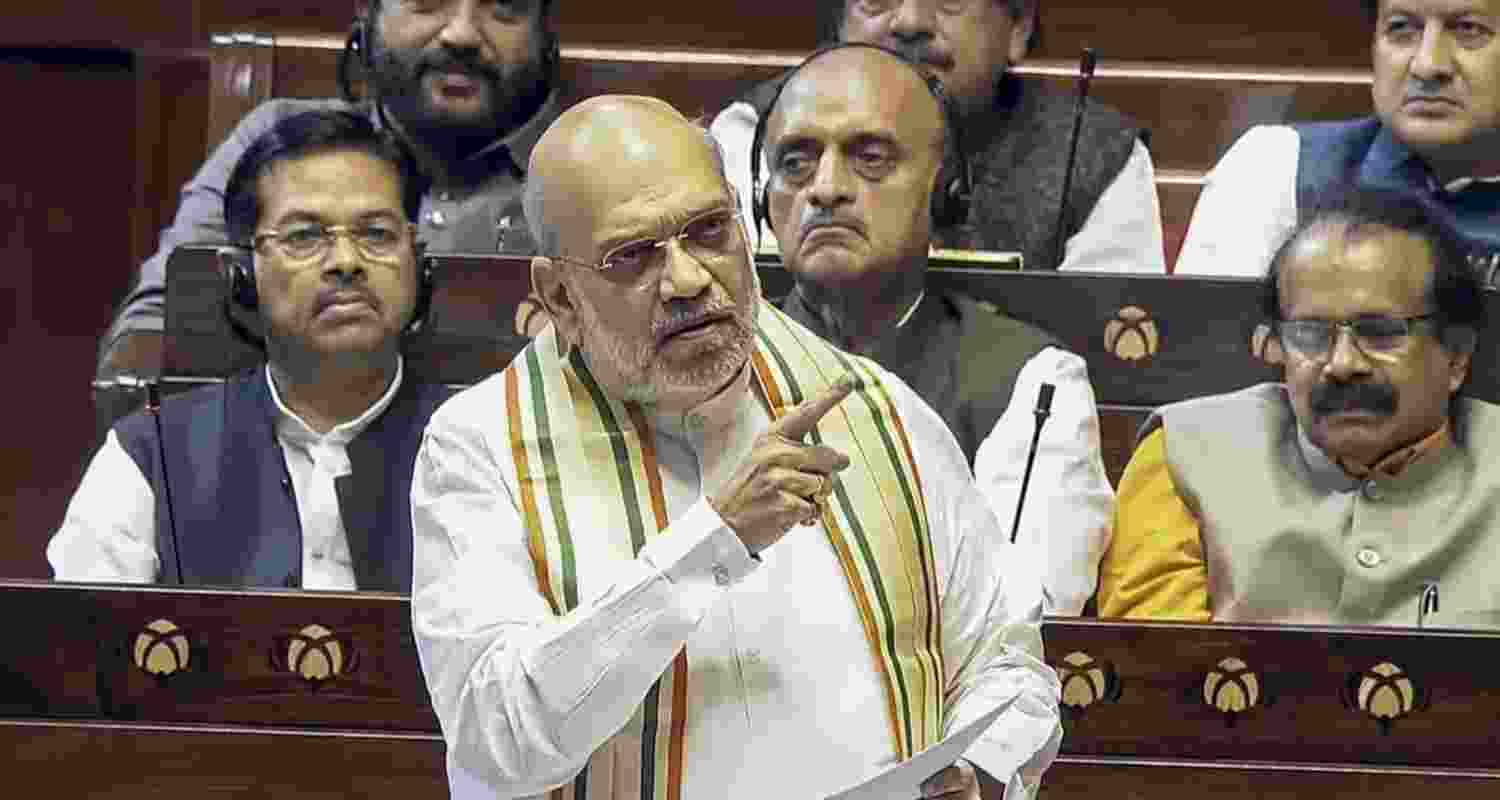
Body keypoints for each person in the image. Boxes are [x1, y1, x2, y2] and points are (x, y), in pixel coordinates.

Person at [410, 95, 1061, 799]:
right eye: (633, 256)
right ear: (560, 296)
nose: (688, 280)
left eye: (709, 230)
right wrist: (713, 540)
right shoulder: (481, 449)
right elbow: (500, 739)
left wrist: (983, 766)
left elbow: (1006, 657)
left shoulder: (879, 411)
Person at [758, 43, 1113, 615]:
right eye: (795, 162)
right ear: (762, 200)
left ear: (945, 191)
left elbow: (1025, 619)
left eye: (870, 157)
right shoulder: (715, 361)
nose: (824, 188)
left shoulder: (1030, 380)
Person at [49, 110, 454, 591]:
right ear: (239, 274)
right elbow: (84, 648)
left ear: (419, 262)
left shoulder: (486, 447)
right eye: (304, 236)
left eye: (377, 234)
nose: (347, 262)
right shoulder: (148, 454)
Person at [1098, 188, 1500, 628]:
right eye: (1310, 334)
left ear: (1457, 356)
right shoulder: (1182, 454)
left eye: (1381, 332)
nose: (1343, 364)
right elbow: (1155, 668)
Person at [97, 0, 563, 379]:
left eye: (504, 6)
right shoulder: (279, 141)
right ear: (369, 11)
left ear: (545, 29)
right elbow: (149, 336)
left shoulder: (595, 167)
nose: (461, 32)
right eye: (428, 2)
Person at [712, 0, 1166, 274]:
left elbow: (1112, 365)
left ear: (1018, 26)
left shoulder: (1095, 157)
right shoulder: (759, 133)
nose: (909, 21)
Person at [1177, 0, 1500, 278]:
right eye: (1401, 28)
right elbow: (1204, 344)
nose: (1427, 65)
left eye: (1468, 29)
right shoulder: (1276, 168)